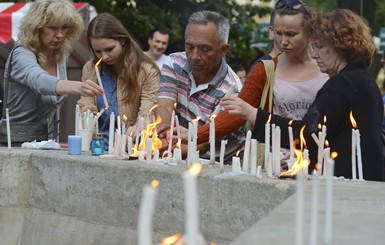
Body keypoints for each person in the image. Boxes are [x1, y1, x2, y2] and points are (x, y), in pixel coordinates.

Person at [224, 9, 385, 181]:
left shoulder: (342, 84)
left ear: (341, 46)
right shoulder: (363, 79)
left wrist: (252, 114)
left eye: (320, 46)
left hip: (346, 183)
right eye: (314, 46)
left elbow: (307, 134)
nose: (314, 54)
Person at [194, 0, 328, 165]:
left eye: (291, 34)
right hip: (277, 162)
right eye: (278, 33)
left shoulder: (328, 67)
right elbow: (236, 115)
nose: (283, 41)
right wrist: (195, 135)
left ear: (309, 33)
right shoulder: (265, 69)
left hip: (321, 159)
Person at [4, 0, 103, 140]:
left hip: (47, 144)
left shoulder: (59, 56)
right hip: (17, 145)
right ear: (36, 28)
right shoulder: (21, 54)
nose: (60, 35)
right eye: (52, 27)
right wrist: (79, 86)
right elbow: (38, 80)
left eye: (64, 28)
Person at [156, 10, 245, 163]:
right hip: (179, 155)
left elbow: (204, 144)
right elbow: (164, 106)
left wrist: (165, 149)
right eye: (189, 47)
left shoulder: (232, 90)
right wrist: (164, 132)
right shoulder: (174, 62)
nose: (195, 56)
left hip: (220, 166)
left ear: (223, 50)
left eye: (205, 49)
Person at [77, 13, 160, 149]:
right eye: (98, 51)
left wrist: (136, 130)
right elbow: (86, 107)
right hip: (97, 148)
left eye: (109, 49)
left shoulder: (146, 70)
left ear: (122, 40)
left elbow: (147, 112)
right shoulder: (91, 69)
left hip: (132, 150)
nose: (104, 56)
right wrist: (89, 138)